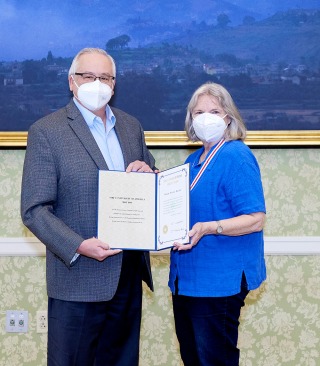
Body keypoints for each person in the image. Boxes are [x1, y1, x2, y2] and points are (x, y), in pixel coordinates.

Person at [21, 47, 156, 366]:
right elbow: (35, 209)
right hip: (76, 279)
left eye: (105, 77)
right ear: (71, 82)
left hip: (126, 275)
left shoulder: (130, 127)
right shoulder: (46, 132)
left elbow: (152, 180)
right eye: (88, 76)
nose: (97, 83)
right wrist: (79, 245)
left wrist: (151, 174)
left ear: (114, 83)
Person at [168, 82, 266, 366]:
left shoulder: (236, 156)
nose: (205, 117)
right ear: (190, 119)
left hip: (218, 283)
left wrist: (210, 227)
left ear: (228, 117)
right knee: (194, 359)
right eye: (198, 112)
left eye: (214, 110)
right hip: (186, 281)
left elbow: (256, 219)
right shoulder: (193, 160)